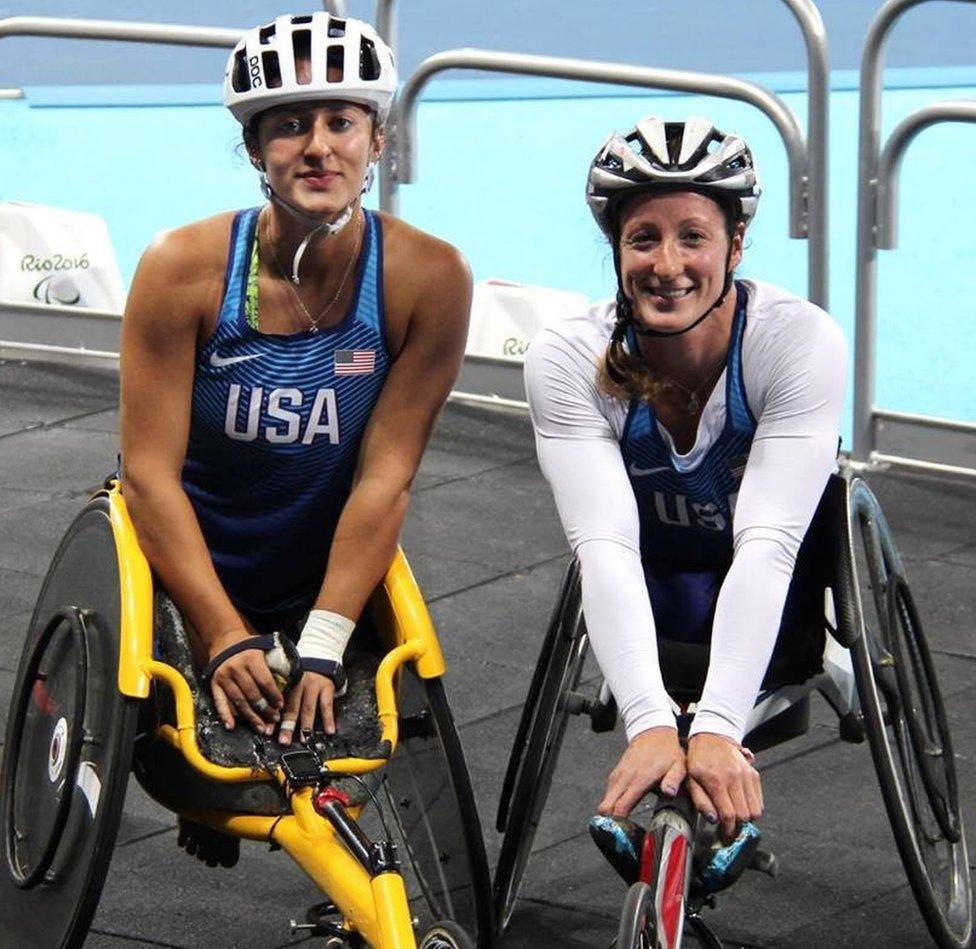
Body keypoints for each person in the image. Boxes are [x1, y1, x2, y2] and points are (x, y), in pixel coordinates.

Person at [119, 14, 470, 748]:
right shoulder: (180, 270)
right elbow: (148, 475)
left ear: (377, 140)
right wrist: (219, 630)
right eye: (288, 125)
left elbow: (387, 478)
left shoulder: (428, 279)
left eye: (341, 121)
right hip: (186, 558)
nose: (317, 146)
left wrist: (327, 637)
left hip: (323, 565)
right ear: (254, 147)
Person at [524, 116, 846, 841]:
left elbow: (767, 545)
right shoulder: (566, 359)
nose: (667, 264)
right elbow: (603, 547)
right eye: (644, 238)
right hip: (653, 575)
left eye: (693, 237)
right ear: (616, 249)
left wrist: (718, 727)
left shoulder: (796, 342)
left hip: (774, 577)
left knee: (770, 554)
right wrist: (649, 722)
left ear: (734, 246)